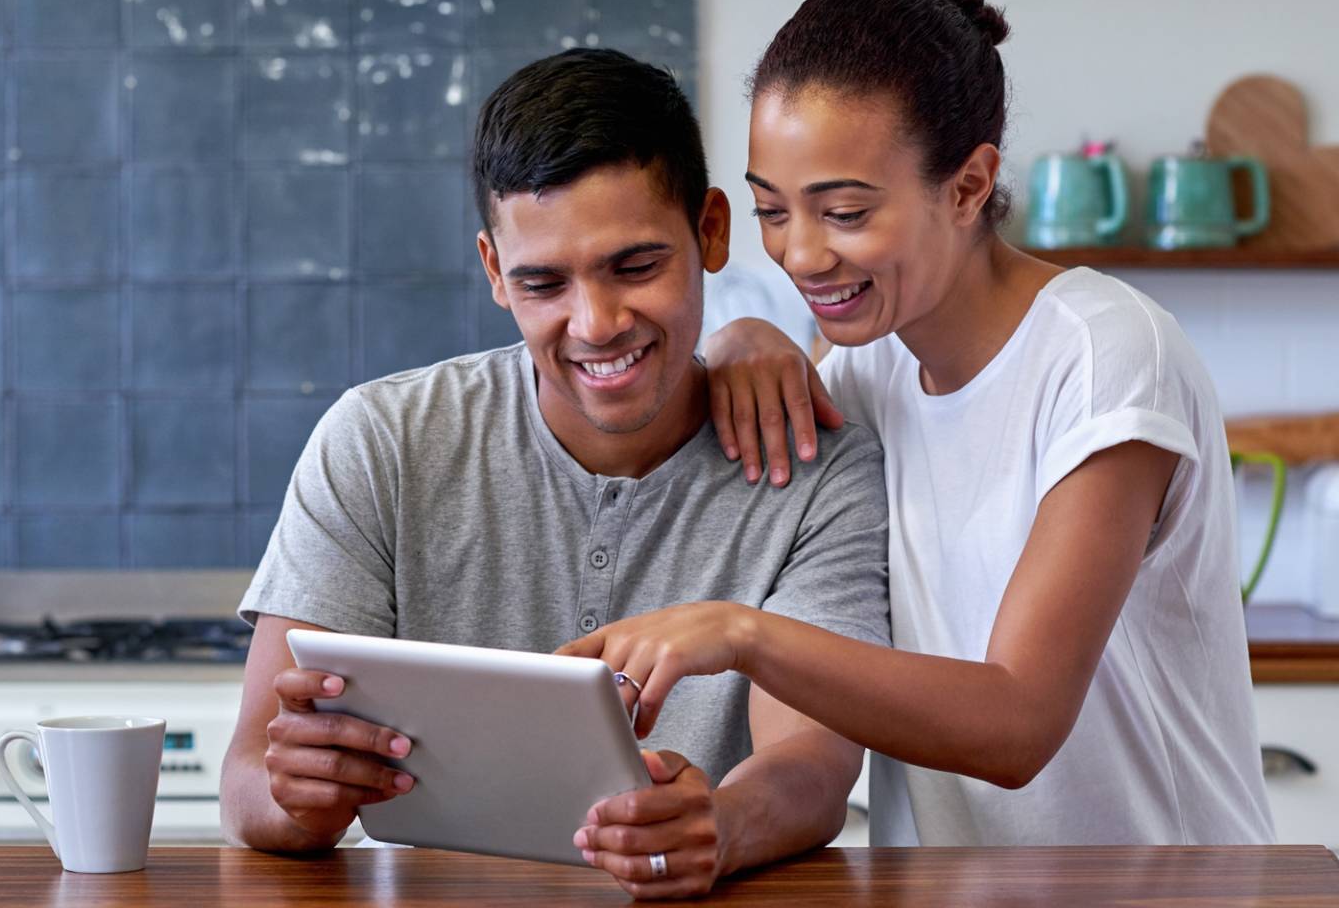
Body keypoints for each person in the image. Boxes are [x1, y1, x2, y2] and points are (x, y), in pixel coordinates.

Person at [561, 0, 1275, 847]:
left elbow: (1017, 723)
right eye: (772, 211)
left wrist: (743, 634)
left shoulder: (1106, 358)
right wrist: (744, 335)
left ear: (970, 185)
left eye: (847, 211)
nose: (803, 253)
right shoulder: (866, 365)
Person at [221, 48, 891, 897]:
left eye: (636, 267)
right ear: (495, 271)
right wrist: (297, 802)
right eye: (543, 282)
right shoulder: (380, 441)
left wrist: (718, 826)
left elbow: (812, 763)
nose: (597, 323)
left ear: (711, 231)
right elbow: (248, 778)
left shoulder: (818, 468)